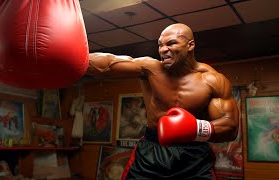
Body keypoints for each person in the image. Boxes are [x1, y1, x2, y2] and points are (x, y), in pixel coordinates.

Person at [87, 23, 239, 179]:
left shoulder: (212, 80)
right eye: (160, 45)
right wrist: (75, 58)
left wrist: (195, 128)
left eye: (171, 43)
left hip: (193, 156)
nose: (163, 50)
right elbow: (108, 65)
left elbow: (231, 127)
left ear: (190, 45)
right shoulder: (150, 69)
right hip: (151, 152)